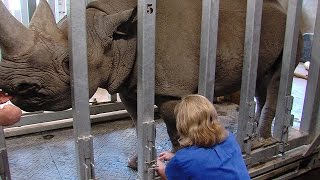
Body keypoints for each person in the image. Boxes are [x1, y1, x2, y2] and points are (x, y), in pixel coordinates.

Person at [156, 94, 250, 180]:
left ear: (182, 125)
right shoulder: (229, 138)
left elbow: (169, 176)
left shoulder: (183, 160)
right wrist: (175, 157)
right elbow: (208, 161)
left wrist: (160, 167)